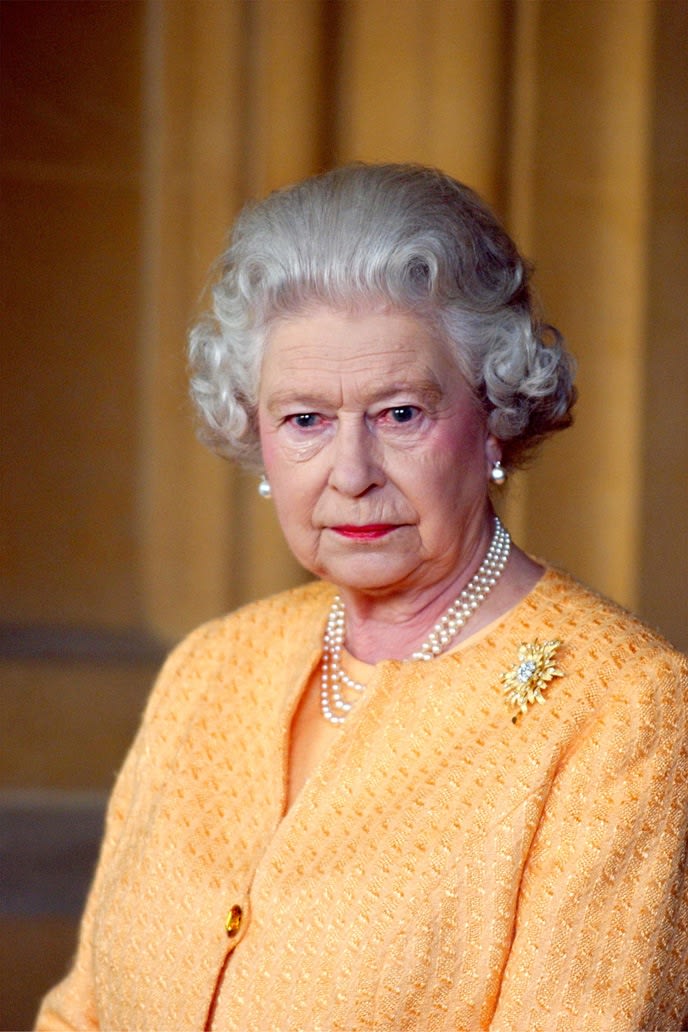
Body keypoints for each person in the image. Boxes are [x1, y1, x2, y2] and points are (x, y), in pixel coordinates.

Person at [37, 164, 687, 1032]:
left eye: (399, 414)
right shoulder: (212, 665)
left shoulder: (623, 712)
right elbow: (82, 1013)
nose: (351, 474)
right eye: (304, 420)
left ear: (493, 412)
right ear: (255, 433)